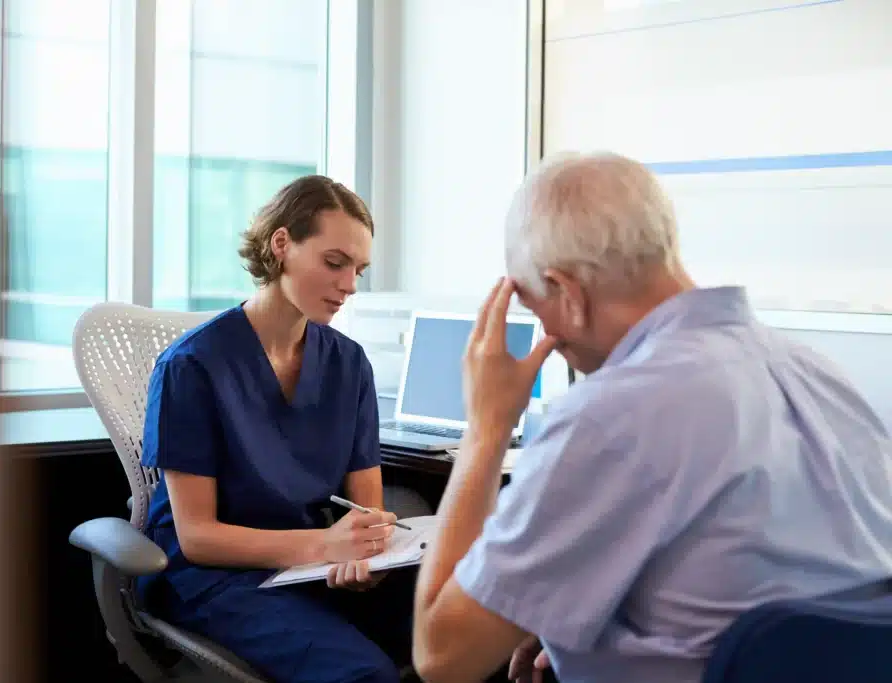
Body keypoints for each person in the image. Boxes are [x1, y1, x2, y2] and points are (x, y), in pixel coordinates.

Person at [410, 152, 892, 683]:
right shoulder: (822, 377)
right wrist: (552, 606)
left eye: (533, 305)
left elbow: (443, 656)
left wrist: (486, 429)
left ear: (568, 294)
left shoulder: (608, 417)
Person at [137, 175, 416, 683]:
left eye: (358, 269)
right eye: (335, 263)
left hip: (315, 568)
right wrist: (324, 546)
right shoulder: (192, 367)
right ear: (281, 245)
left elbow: (367, 507)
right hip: (218, 580)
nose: (350, 285)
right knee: (364, 675)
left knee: (471, 625)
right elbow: (197, 537)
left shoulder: (349, 365)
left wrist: (363, 553)